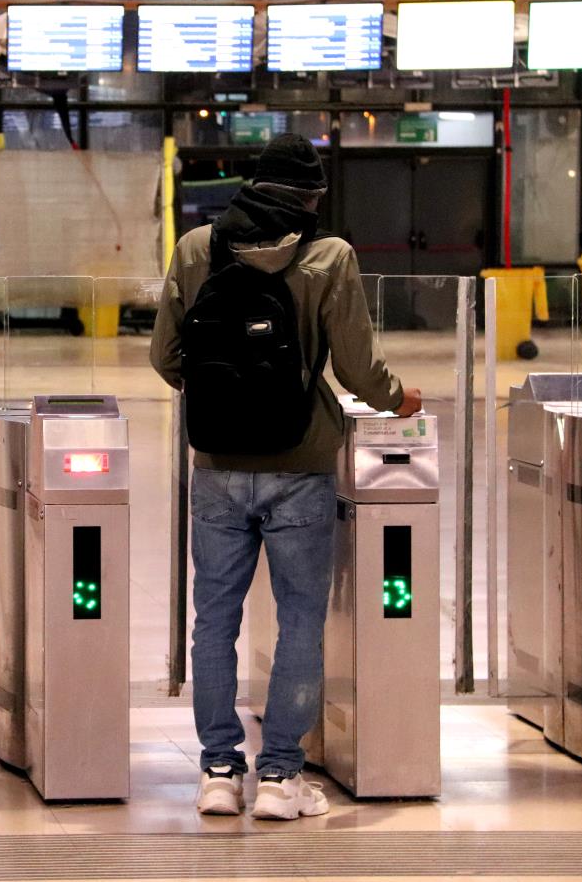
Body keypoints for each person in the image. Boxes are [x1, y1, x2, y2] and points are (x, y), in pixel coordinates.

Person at [149, 134, 422, 820]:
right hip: (300, 464)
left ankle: (218, 771)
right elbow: (358, 369)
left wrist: (221, 399)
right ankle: (279, 779)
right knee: (301, 619)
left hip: (216, 465)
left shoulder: (196, 247)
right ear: (311, 196)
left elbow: (164, 355)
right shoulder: (329, 256)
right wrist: (397, 399)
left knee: (215, 618)